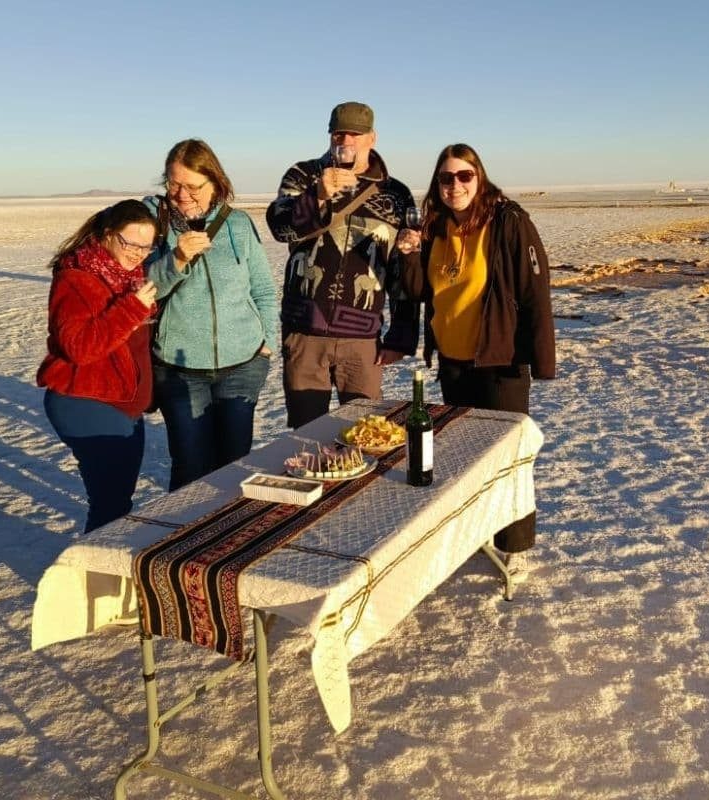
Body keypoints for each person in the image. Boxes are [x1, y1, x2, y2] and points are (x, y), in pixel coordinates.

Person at [395, 143, 555, 566]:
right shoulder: (435, 227)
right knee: (465, 459)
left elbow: (535, 292)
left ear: (479, 177)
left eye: (464, 175)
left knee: (507, 459)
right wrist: (408, 255)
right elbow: (417, 292)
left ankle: (514, 548)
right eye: (446, 178)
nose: (455, 185)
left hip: (499, 361)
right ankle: (476, 537)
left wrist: (541, 360)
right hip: (453, 362)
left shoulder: (508, 221)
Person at [266, 101, 419, 429]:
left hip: (362, 339)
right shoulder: (303, 175)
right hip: (305, 333)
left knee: (366, 433)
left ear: (372, 138)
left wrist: (402, 334)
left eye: (355, 134)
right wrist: (317, 196)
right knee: (307, 436)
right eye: (339, 133)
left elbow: (401, 271)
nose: (345, 141)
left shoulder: (396, 194)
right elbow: (281, 228)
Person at [143, 139, 278, 490]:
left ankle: (229, 541)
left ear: (215, 183)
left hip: (243, 363)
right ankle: (184, 542)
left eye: (192, 186)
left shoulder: (238, 224)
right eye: (173, 184)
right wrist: (176, 260)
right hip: (179, 370)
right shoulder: (152, 223)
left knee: (235, 468)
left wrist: (267, 343)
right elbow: (141, 293)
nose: (181, 194)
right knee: (190, 470)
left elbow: (262, 288)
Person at [37, 200, 158, 532]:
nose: (138, 253)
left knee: (118, 502)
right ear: (108, 235)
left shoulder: (131, 276)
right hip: (86, 401)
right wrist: (132, 309)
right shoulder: (77, 278)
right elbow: (79, 347)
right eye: (130, 243)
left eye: (146, 246)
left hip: (123, 404)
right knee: (111, 507)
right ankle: (94, 578)